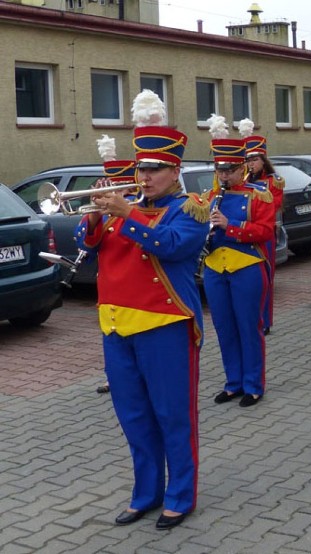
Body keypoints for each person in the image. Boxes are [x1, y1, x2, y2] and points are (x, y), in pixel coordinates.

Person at [75, 90, 208, 530]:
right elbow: (88, 245)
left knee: (173, 414)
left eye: (155, 169)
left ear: (175, 171)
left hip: (165, 325)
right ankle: (145, 492)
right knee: (134, 417)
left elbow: (171, 247)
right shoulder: (118, 209)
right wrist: (95, 218)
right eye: (141, 168)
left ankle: (180, 494)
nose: (145, 176)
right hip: (116, 326)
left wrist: (128, 212)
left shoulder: (189, 210)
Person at [203, 114, 276, 407]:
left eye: (229, 170)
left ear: (242, 167)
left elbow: (265, 232)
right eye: (220, 170)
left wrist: (228, 225)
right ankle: (233, 382)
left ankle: (254, 384)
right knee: (224, 327)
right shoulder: (208, 196)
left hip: (246, 266)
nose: (224, 175)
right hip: (213, 269)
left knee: (249, 326)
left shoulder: (259, 196)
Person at [93, 134, 137, 396]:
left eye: (116, 188)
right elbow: (85, 242)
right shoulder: (104, 213)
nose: (111, 193)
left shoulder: (135, 210)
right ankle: (112, 377)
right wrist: (94, 215)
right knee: (111, 334)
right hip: (108, 290)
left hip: (131, 287)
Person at [242, 120, 285, 334]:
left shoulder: (273, 181)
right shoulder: (241, 180)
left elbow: (274, 205)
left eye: (255, 159)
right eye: (248, 159)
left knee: (265, 278)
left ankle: (265, 320)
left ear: (263, 160)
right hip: (244, 233)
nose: (251, 163)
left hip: (264, 233)